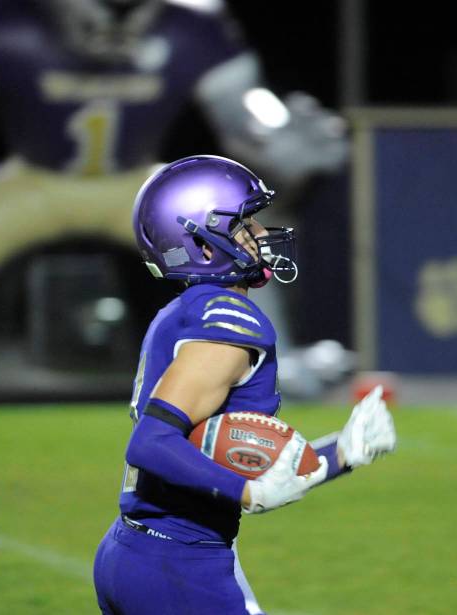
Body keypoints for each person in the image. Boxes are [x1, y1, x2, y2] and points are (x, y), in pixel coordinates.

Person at [0, 0, 349, 407]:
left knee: (235, 233)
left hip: (136, 181)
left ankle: (269, 370)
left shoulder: (193, 23)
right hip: (28, 181)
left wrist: (283, 133)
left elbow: (249, 112)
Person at [92, 155, 397, 614]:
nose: (259, 235)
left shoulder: (186, 312)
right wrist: (247, 493)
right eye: (244, 225)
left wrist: (341, 453)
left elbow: (224, 445)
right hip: (181, 567)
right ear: (205, 246)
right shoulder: (229, 324)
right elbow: (150, 443)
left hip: (143, 550)